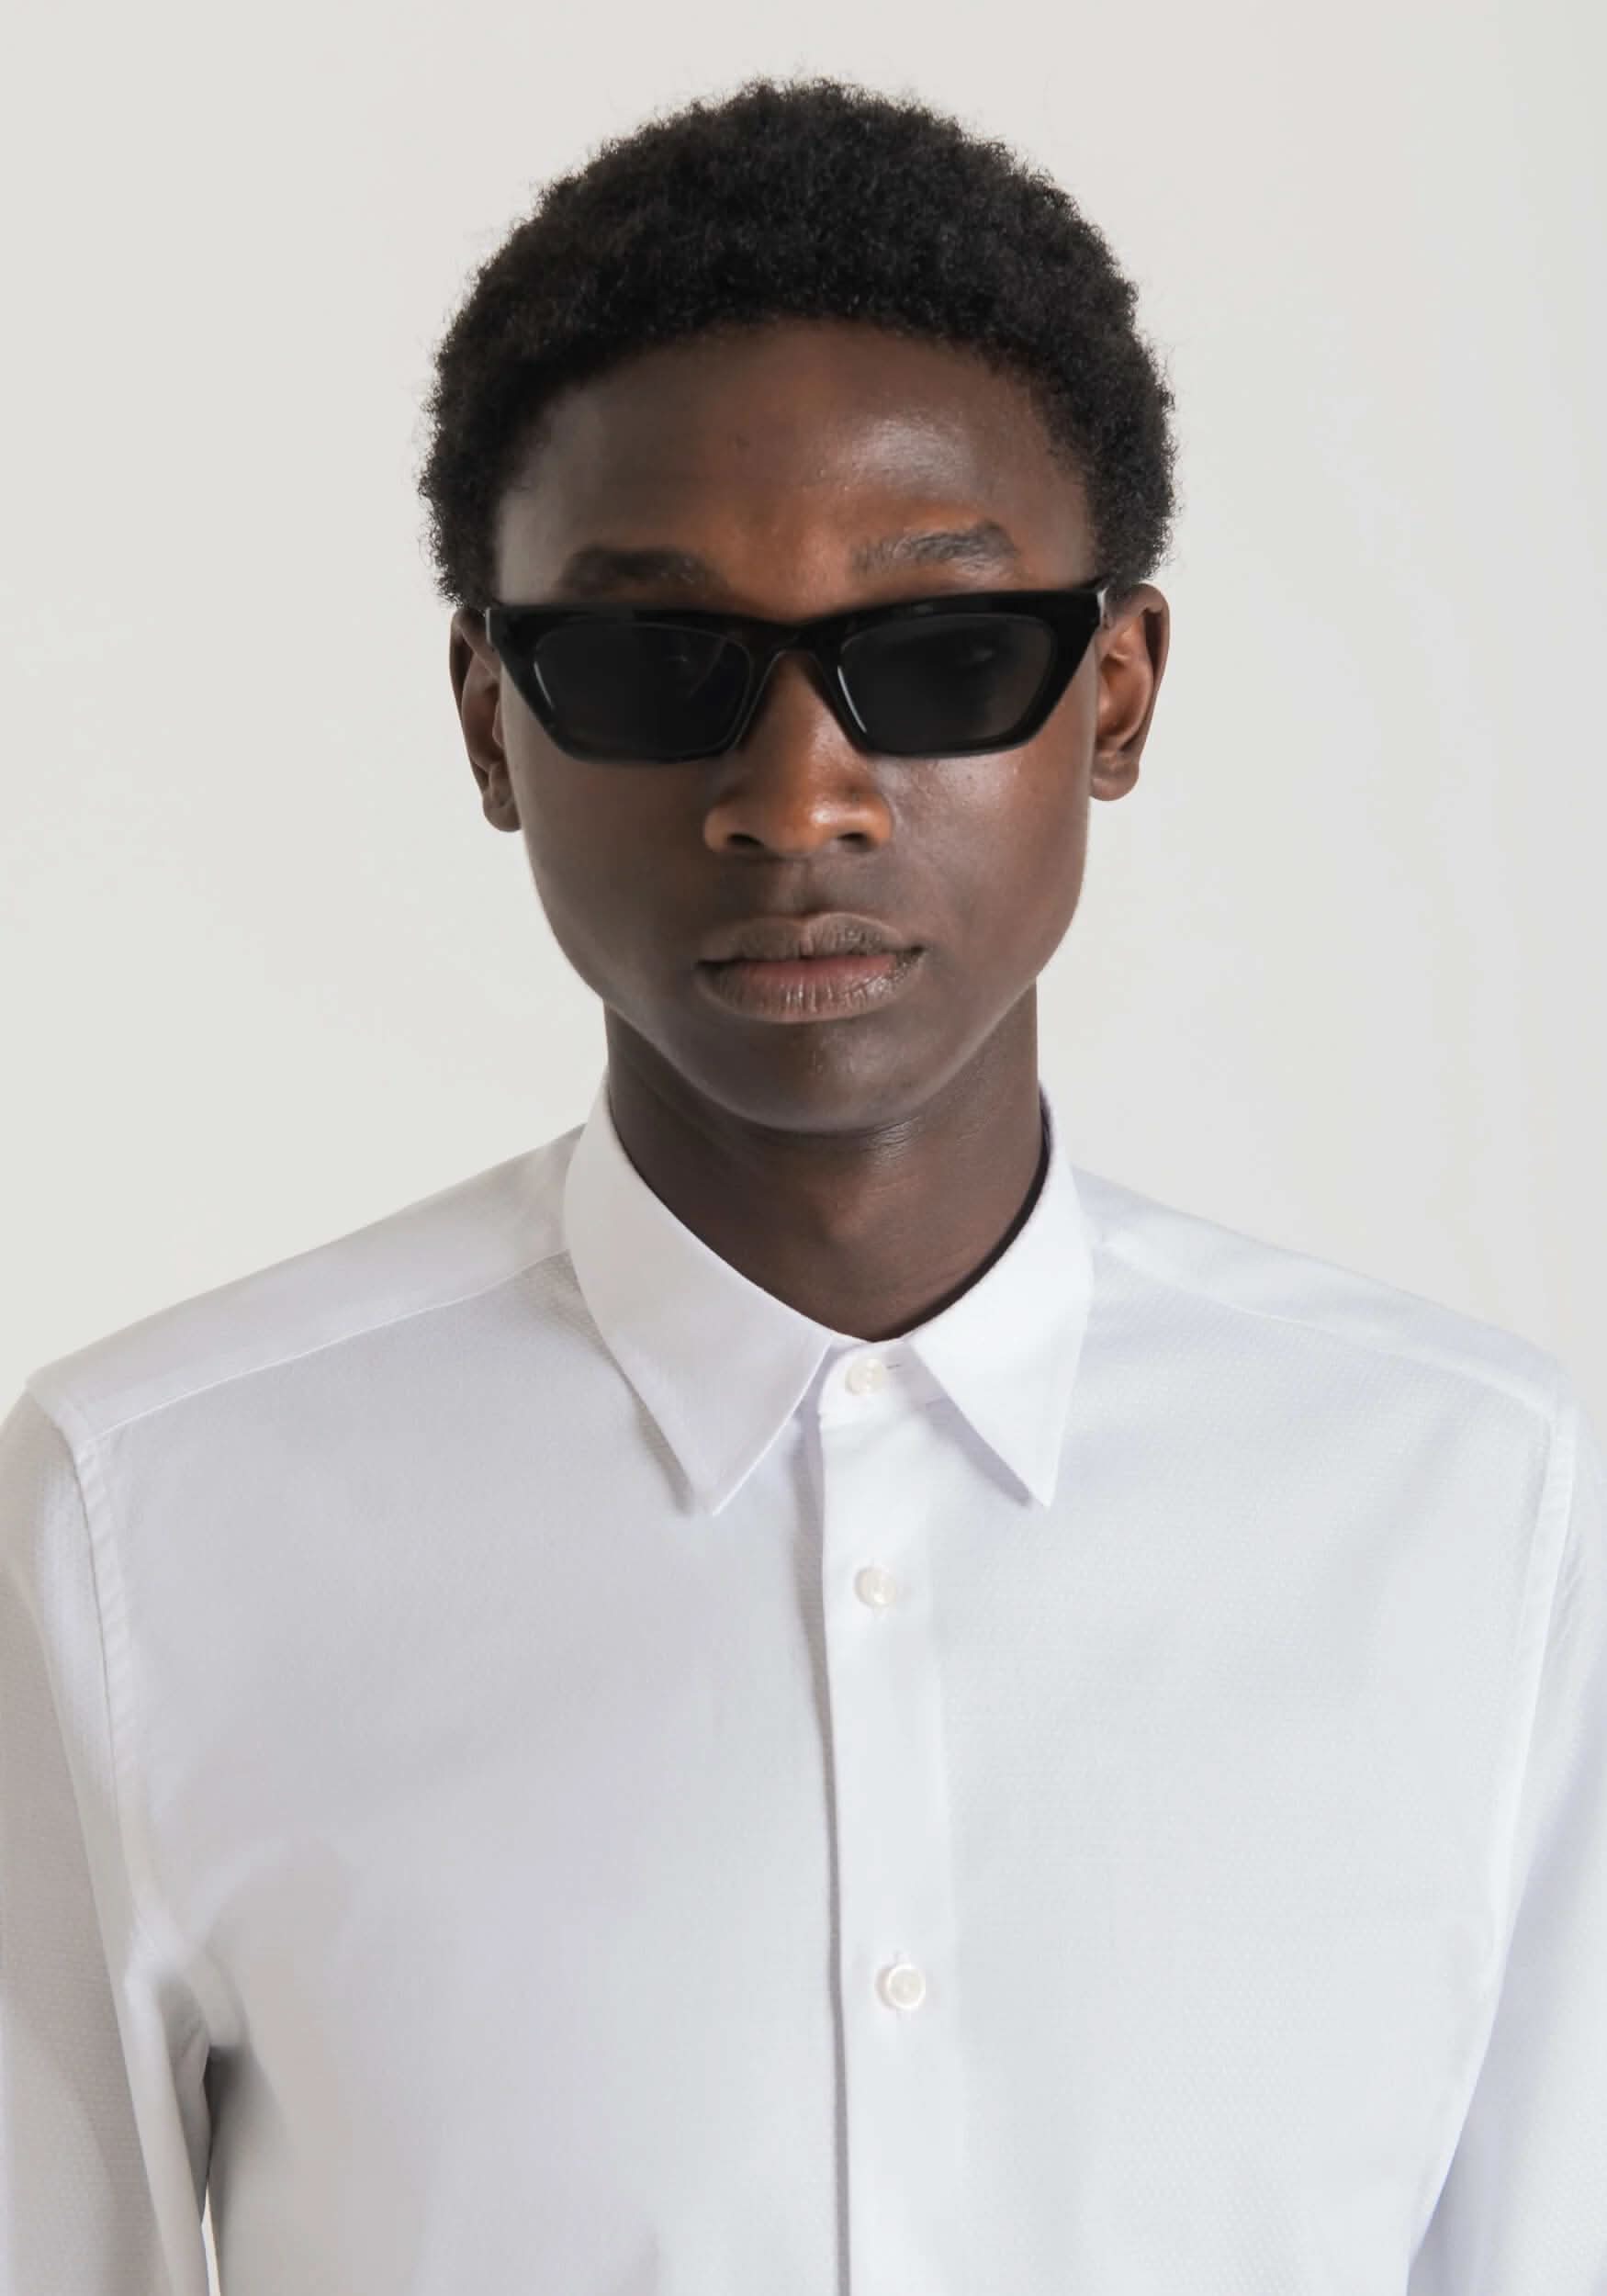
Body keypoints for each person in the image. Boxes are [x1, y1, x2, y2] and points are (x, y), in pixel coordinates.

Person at [2, 73, 1601, 2296]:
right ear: (487, 718)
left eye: (937, 656)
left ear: (1113, 694)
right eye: (651, 667)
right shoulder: (145, 1518)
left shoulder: (1474, 1507)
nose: (795, 795)